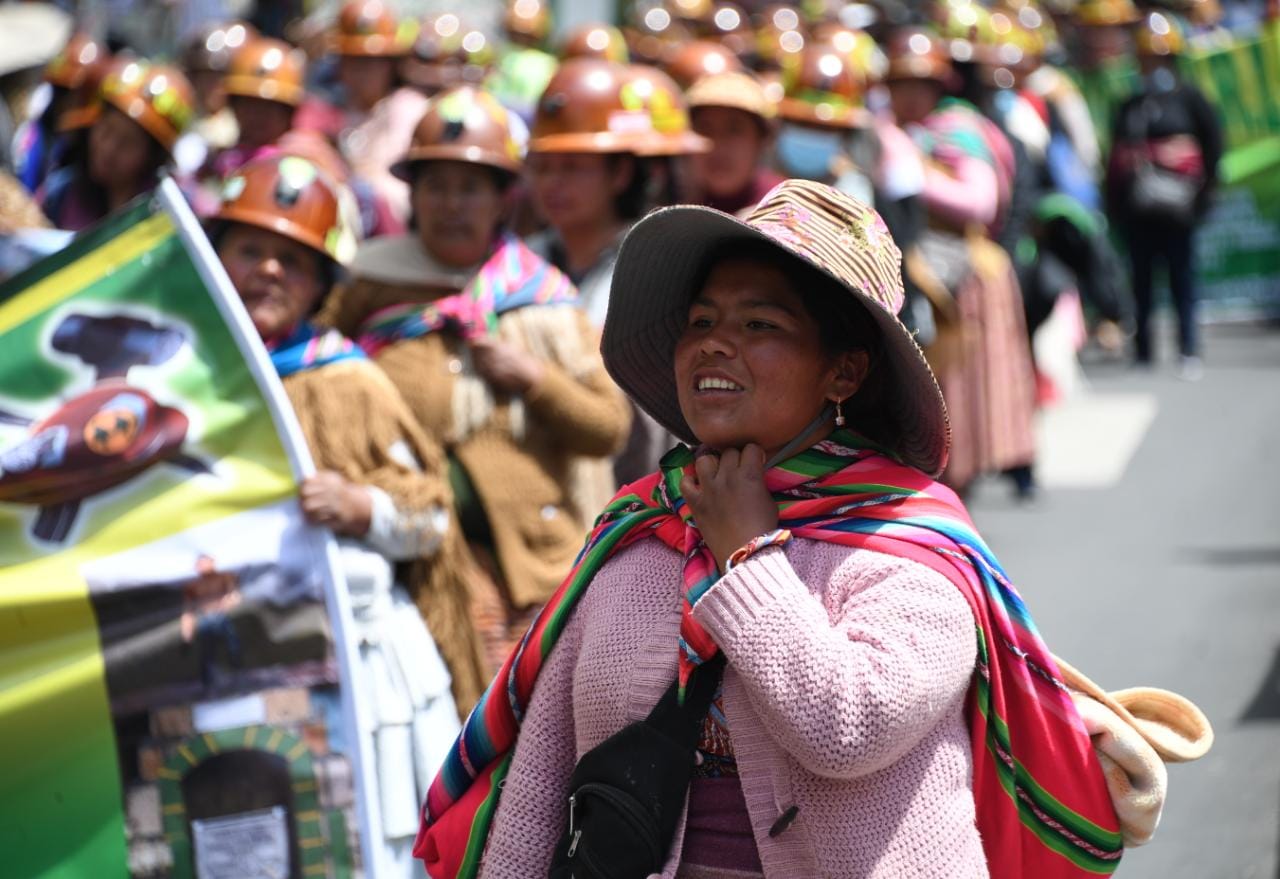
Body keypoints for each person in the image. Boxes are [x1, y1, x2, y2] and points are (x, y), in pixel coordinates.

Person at [417, 179, 1123, 879]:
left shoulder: (911, 546)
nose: (715, 345)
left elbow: (847, 726)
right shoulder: (639, 532)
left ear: (843, 372)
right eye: (700, 322)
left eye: (759, 325)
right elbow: (543, 769)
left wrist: (747, 555)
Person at [208, 154, 481, 873]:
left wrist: (362, 506)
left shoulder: (344, 377)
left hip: (355, 677)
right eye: (251, 250)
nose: (269, 271)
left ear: (322, 282)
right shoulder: (181, 381)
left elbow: (432, 518)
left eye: (293, 261)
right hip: (219, 664)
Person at [315, 85, 630, 674]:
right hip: (404, 566)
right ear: (413, 194)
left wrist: (534, 378)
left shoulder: (542, 300)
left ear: (502, 200)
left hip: (528, 570)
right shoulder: (369, 282)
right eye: (436, 186)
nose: (451, 205)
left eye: (470, 188)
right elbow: (312, 365)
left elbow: (606, 428)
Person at [884, 27, 1036, 499]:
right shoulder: (903, 131)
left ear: (938, 87)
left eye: (919, 85)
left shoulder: (955, 130)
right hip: (925, 272)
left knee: (960, 395)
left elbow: (979, 202)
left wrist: (909, 170)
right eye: (899, 85)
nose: (908, 96)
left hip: (962, 276)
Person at [1106, 11, 1221, 378]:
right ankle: (1143, 351)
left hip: (1178, 208)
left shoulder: (1190, 98)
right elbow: (1115, 157)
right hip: (1139, 210)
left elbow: (1213, 146)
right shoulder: (1130, 104)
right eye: (1145, 58)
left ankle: (1189, 348)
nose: (1151, 65)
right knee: (1140, 280)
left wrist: (1202, 194)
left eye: (1158, 57)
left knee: (1182, 278)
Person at [39, 60, 194, 232]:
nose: (108, 149)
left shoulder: (171, 218)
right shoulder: (61, 194)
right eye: (106, 130)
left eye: (127, 142)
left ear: (152, 157)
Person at [330, 0, 427, 231]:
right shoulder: (330, 109)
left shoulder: (408, 108)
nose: (363, 71)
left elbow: (401, 196)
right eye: (354, 60)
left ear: (392, 65)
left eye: (374, 62)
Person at [686, 70, 783, 214]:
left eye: (734, 129)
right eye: (705, 128)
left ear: (761, 140)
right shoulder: (672, 203)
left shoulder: (783, 209)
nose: (718, 144)